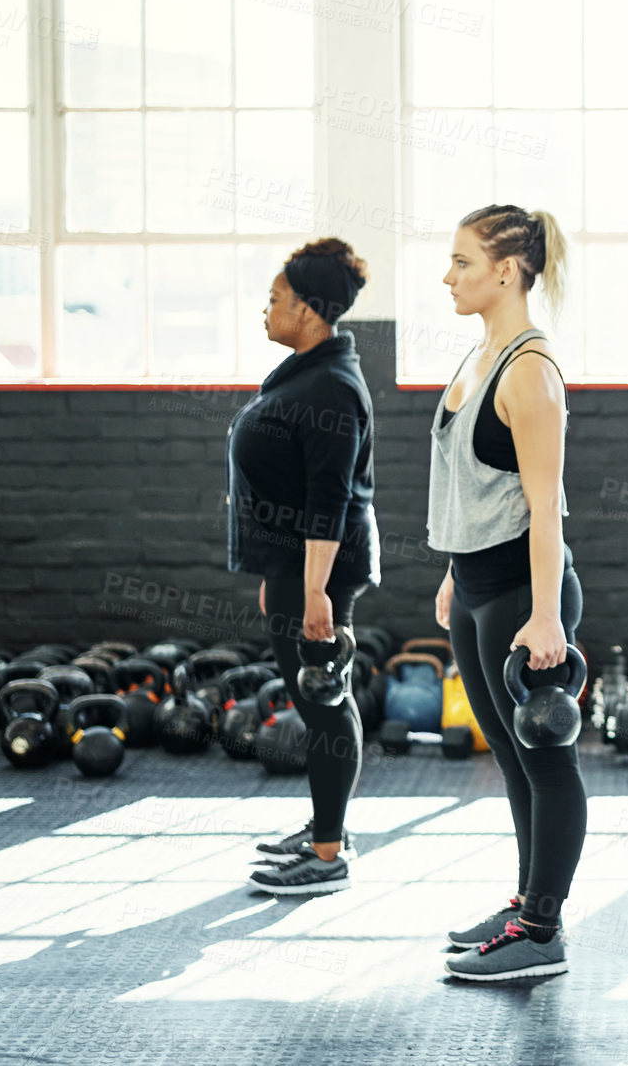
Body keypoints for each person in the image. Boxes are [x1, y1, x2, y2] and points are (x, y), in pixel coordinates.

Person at [430, 204, 586, 982]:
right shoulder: (478, 354)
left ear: (506, 270)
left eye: (461, 262)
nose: (448, 276)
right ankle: (528, 899)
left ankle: (542, 932)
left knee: (545, 762)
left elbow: (546, 504)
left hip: (526, 596)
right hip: (478, 586)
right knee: (513, 762)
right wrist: (454, 573)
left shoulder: (529, 369)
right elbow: (477, 484)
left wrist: (548, 613)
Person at [227, 237, 380, 896]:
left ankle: (327, 856)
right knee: (314, 696)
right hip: (295, 566)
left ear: (311, 309)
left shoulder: (332, 387)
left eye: (276, 299)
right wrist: (275, 571)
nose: (267, 309)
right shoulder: (304, 372)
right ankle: (329, 826)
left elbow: (329, 497)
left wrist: (314, 589)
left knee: (323, 701)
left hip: (321, 572)